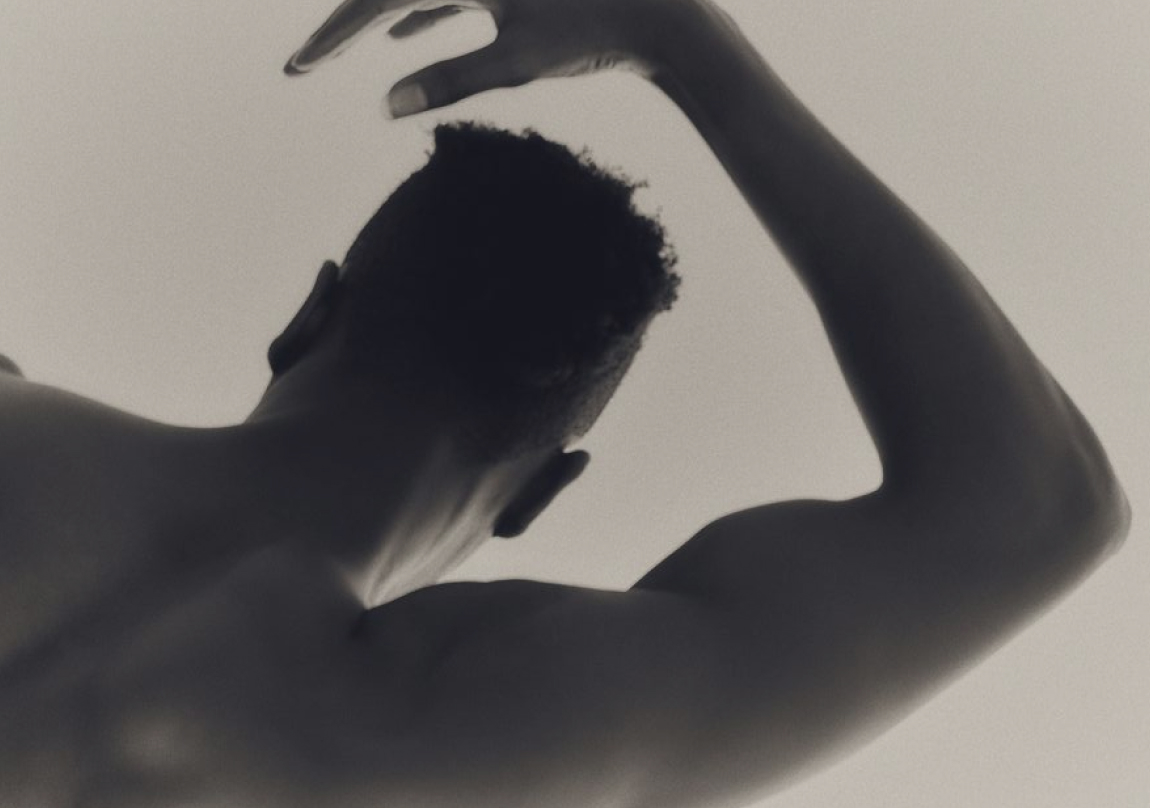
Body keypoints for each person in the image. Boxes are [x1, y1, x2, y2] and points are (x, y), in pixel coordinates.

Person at [0, 1, 1129, 806]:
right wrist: (685, 44)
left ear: (310, 315)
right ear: (541, 491)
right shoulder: (491, 721)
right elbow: (1032, 510)